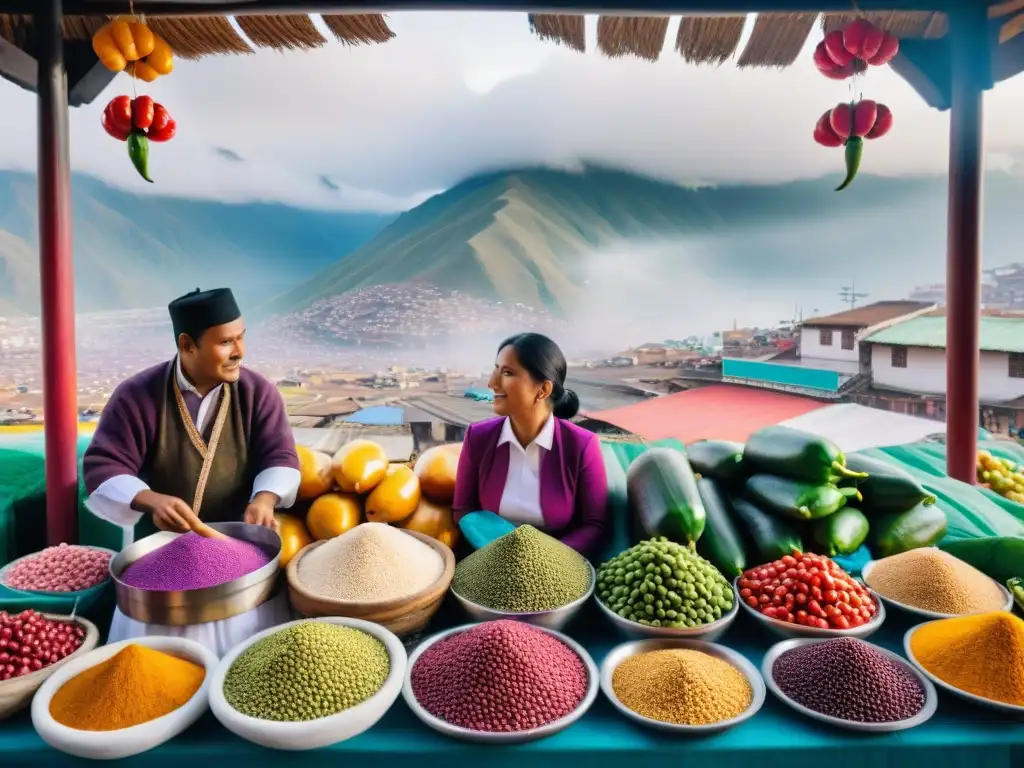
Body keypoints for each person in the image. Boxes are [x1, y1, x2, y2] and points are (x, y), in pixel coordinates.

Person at [83, 287, 301, 537]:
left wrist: (264, 499)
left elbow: (280, 455)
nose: (239, 352)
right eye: (226, 342)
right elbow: (104, 466)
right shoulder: (135, 395)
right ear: (187, 345)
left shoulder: (258, 392)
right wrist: (151, 500)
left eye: (241, 338)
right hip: (157, 546)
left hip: (236, 542)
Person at [453, 332, 609, 557]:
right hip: (488, 560)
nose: (491, 383)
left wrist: (547, 559)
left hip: (560, 566)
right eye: (496, 370)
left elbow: (594, 525)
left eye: (507, 373)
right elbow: (463, 511)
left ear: (543, 390)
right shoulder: (477, 437)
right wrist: (501, 553)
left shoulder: (581, 445)